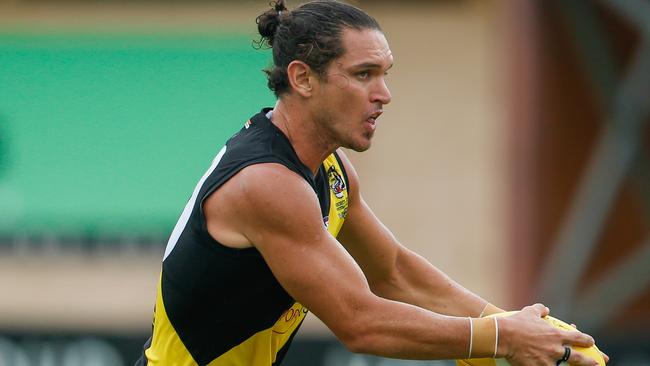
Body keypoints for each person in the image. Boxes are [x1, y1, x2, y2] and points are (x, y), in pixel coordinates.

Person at [136, 1, 605, 365]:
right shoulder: (266, 183)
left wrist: (508, 324)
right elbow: (360, 323)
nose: (384, 95)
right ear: (302, 78)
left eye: (385, 74)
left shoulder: (329, 169)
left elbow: (394, 272)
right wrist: (502, 340)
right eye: (364, 75)